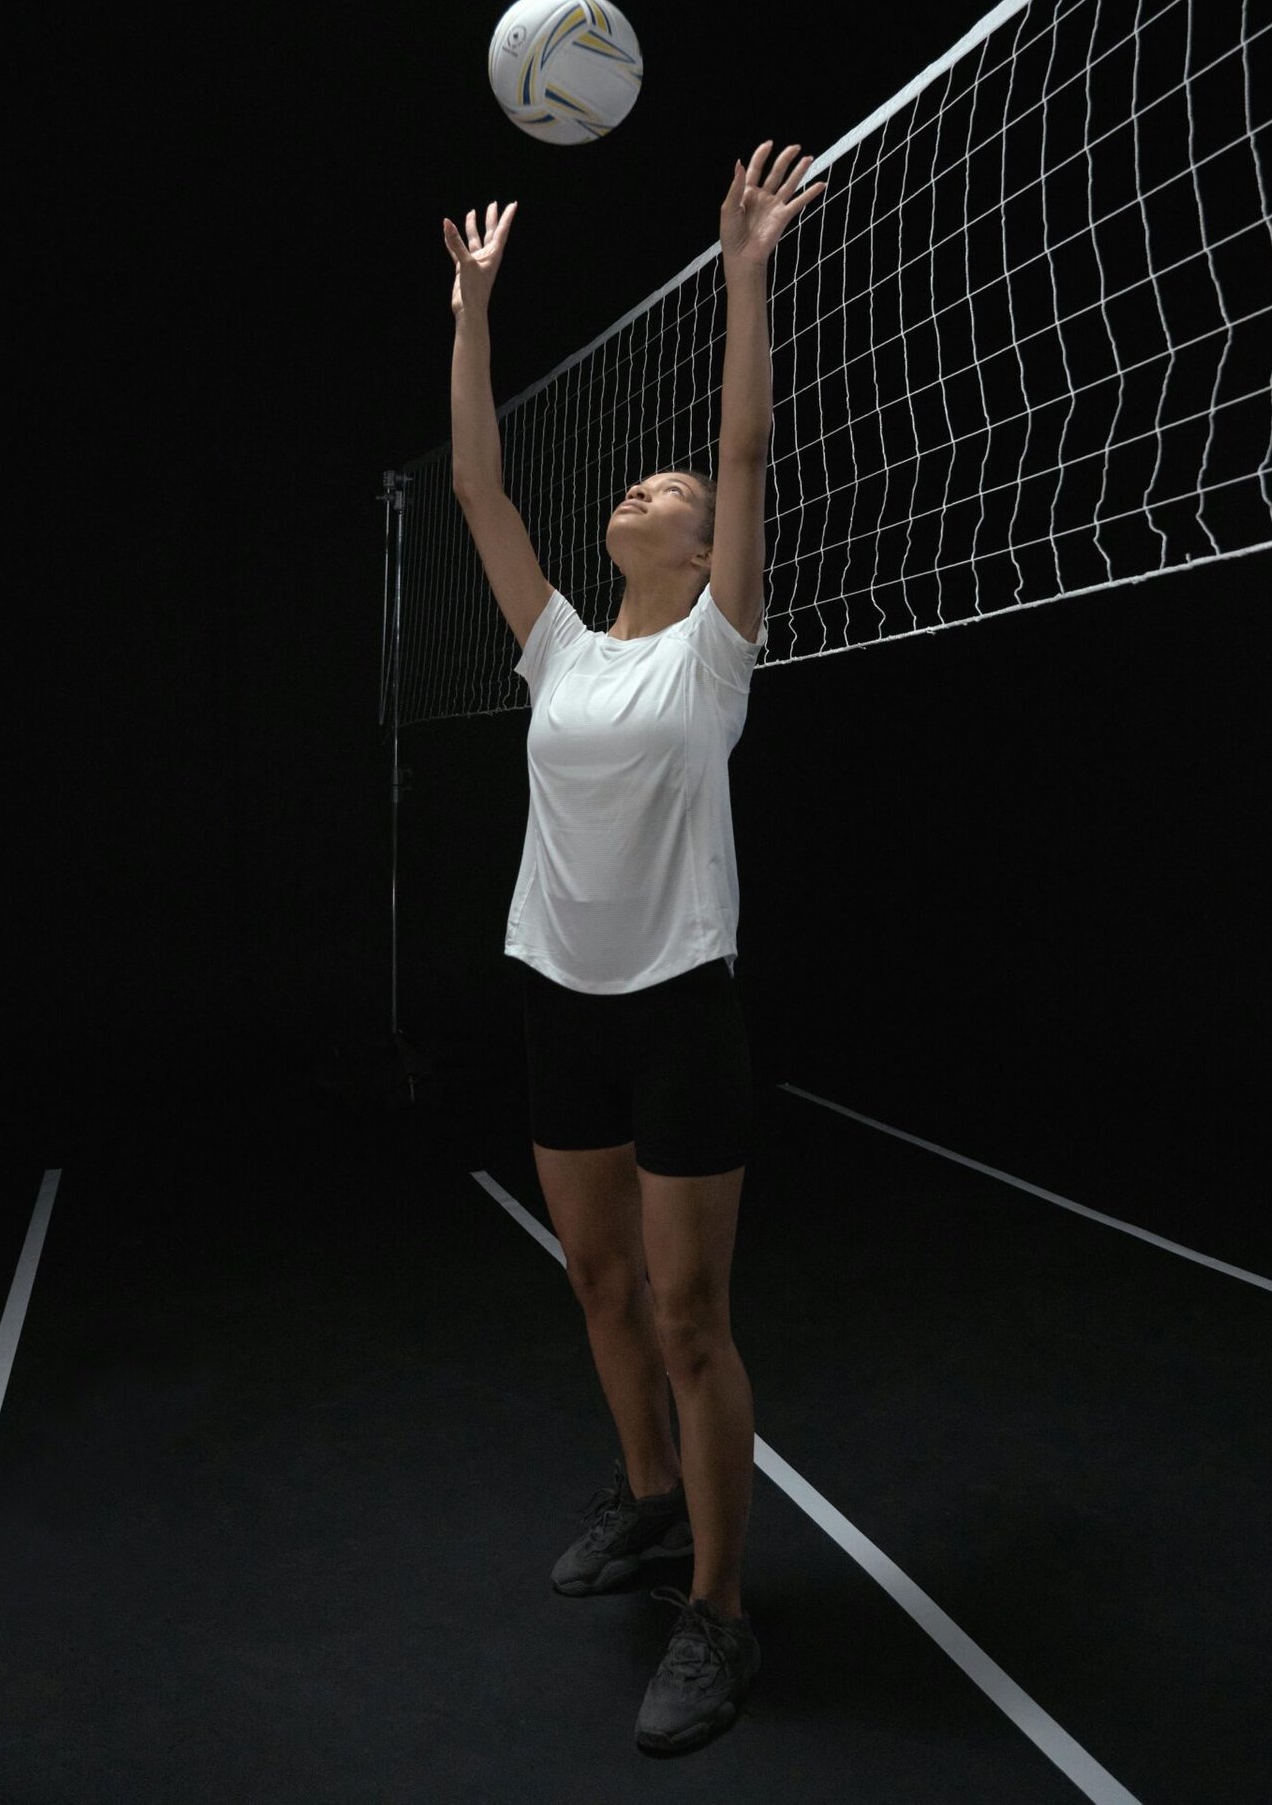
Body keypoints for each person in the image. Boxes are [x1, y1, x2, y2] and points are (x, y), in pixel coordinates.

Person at [442, 141, 824, 1758]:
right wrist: (474, 311)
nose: (648, 488)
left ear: (690, 544)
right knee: (595, 1282)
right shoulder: (562, 647)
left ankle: (720, 1615)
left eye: (662, 493)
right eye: (642, 488)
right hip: (560, 998)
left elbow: (742, 451)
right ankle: (653, 1498)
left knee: (688, 1317)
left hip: (680, 1009)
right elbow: (480, 487)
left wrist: (745, 275)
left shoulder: (715, 654)